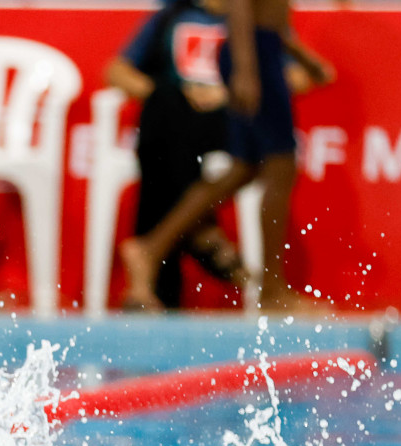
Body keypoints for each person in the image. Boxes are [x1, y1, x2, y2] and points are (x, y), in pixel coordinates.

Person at [118, 0, 333, 312]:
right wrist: (247, 69)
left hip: (262, 49)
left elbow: (268, 14)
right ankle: (273, 290)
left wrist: (300, 56)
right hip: (254, 53)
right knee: (280, 167)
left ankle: (151, 248)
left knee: (242, 168)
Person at [106, 0, 248, 310]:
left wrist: (225, 93)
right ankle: (201, 231)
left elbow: (290, 77)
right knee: (168, 111)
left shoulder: (249, 15)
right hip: (174, 125)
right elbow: (117, 72)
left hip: (227, 122)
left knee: (165, 129)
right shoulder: (170, 16)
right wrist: (175, 96)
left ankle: (148, 279)